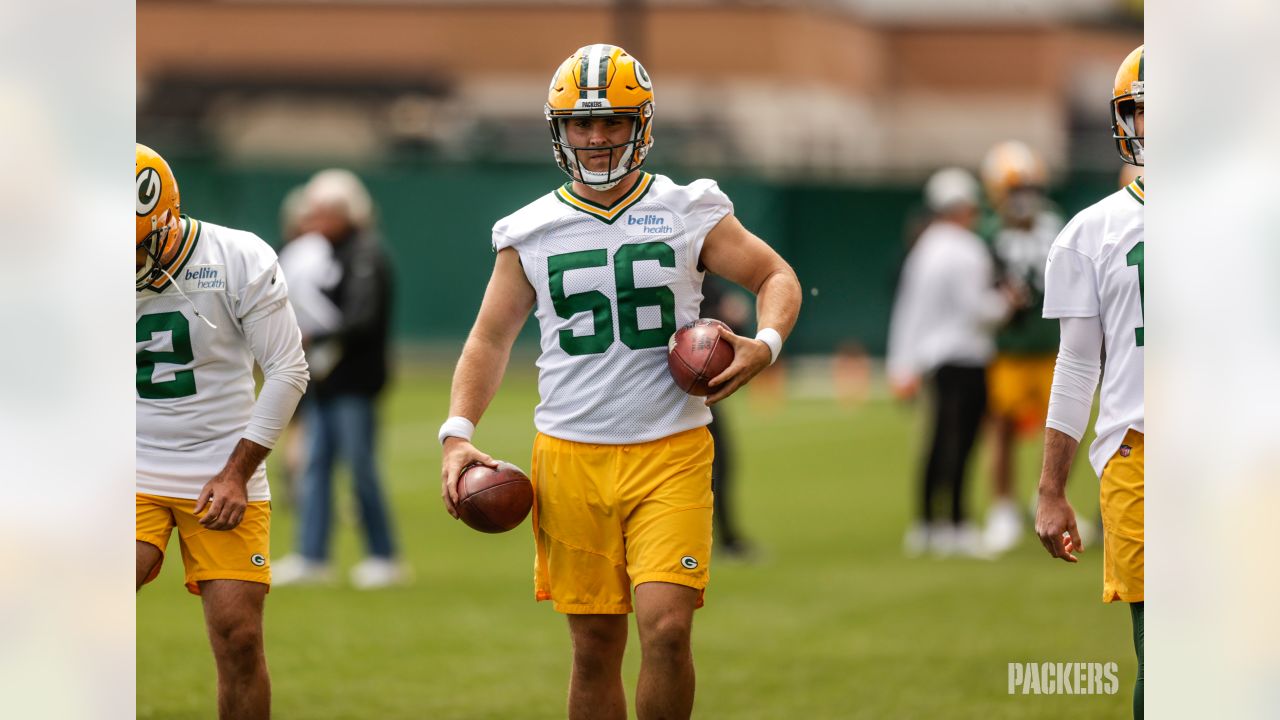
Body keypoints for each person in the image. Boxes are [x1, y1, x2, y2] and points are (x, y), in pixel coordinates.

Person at [437, 44, 801, 720]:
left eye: (613, 123)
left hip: (672, 450)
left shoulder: (688, 207)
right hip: (570, 456)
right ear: (560, 130)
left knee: (666, 628)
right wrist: (457, 436)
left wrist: (766, 344)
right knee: (595, 647)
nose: (598, 138)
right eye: (582, 124)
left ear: (642, 127)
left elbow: (775, 276)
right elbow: (488, 339)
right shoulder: (529, 230)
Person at [135, 143, 309, 720]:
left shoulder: (236, 257)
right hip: (130, 457)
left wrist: (237, 474)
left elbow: (288, 369)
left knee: (238, 639)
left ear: (164, 219)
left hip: (224, 461)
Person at [1035, 44, 1145, 719]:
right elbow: (1078, 364)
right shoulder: (1090, 232)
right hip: (1141, 454)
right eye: (1146, 112)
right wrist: (1051, 488)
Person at [273, 169, 405, 589]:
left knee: (360, 466)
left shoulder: (366, 253)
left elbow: (362, 318)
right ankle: (312, 556)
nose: (317, 220)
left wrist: (318, 333)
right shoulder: (321, 253)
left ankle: (383, 556)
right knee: (315, 467)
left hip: (354, 381)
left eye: (326, 212)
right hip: (323, 379)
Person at [887, 167, 1018, 558]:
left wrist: (902, 364)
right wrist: (1009, 303)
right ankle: (957, 525)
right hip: (965, 355)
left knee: (938, 440)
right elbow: (979, 309)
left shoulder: (924, 248)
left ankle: (928, 523)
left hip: (935, 358)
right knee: (961, 442)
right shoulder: (966, 249)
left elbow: (908, 311)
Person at [977, 141, 1065, 555]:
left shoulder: (1056, 225)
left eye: (1028, 186)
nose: (1023, 196)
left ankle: (1047, 496)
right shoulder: (988, 235)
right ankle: (1003, 507)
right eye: (1015, 188)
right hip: (1009, 349)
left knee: (1067, 428)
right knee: (1002, 427)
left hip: (1052, 346)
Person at [700, 276, 756, 559]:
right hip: (688, 392)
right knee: (717, 464)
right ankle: (725, 538)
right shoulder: (686, 266)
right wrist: (730, 315)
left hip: (696, 390)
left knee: (721, 464)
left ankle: (724, 536)